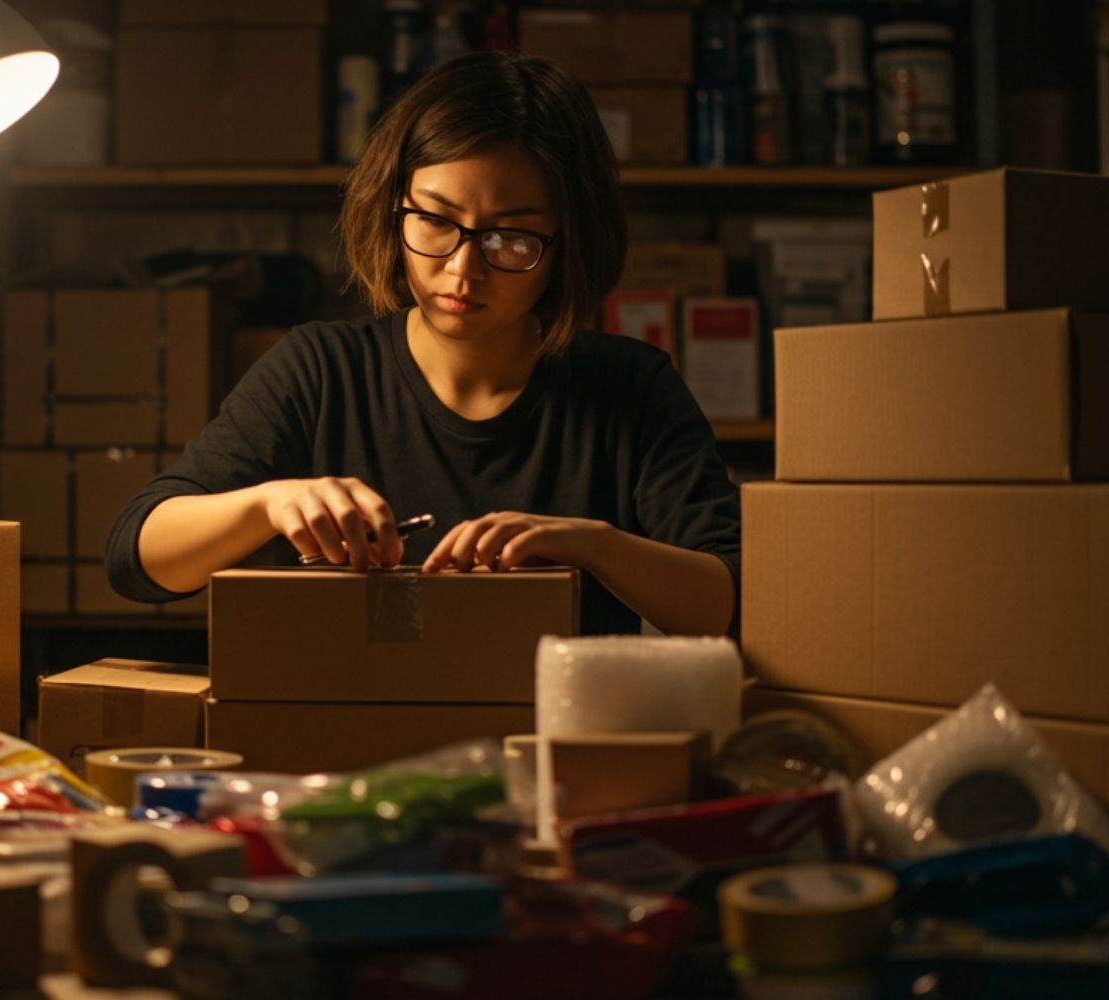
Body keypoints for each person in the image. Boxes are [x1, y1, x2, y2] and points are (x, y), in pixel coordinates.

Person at [105, 50, 740, 637]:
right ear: (393, 207)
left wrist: (596, 546)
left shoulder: (629, 389)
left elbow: (734, 604)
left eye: (510, 239)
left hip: (556, 751)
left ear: (567, 245)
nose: (464, 270)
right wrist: (270, 503)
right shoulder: (321, 371)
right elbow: (138, 560)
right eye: (435, 222)